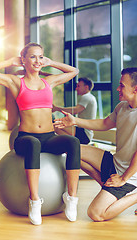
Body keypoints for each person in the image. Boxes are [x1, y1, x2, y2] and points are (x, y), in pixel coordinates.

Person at [0, 42, 81, 225]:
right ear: (23, 59)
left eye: (40, 56)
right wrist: (10, 61)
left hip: (49, 137)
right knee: (33, 143)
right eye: (32, 56)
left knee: (73, 142)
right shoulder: (16, 82)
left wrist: (51, 62)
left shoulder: (48, 81)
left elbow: (73, 71)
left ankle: (71, 198)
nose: (37, 60)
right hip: (25, 138)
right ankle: (34, 201)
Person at [54, 67, 137, 221]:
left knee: (96, 214)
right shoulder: (122, 107)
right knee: (73, 151)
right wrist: (75, 121)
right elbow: (105, 123)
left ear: (135, 89)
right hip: (115, 162)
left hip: (131, 175)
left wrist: (124, 178)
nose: (118, 88)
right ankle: (108, 187)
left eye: (122, 86)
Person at [53, 77, 97, 144]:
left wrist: (56, 108)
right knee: (58, 127)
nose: (76, 89)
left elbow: (75, 110)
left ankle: (72, 144)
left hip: (84, 133)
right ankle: (72, 144)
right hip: (84, 133)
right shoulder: (90, 97)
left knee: (55, 126)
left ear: (86, 87)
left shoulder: (86, 97)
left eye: (78, 86)